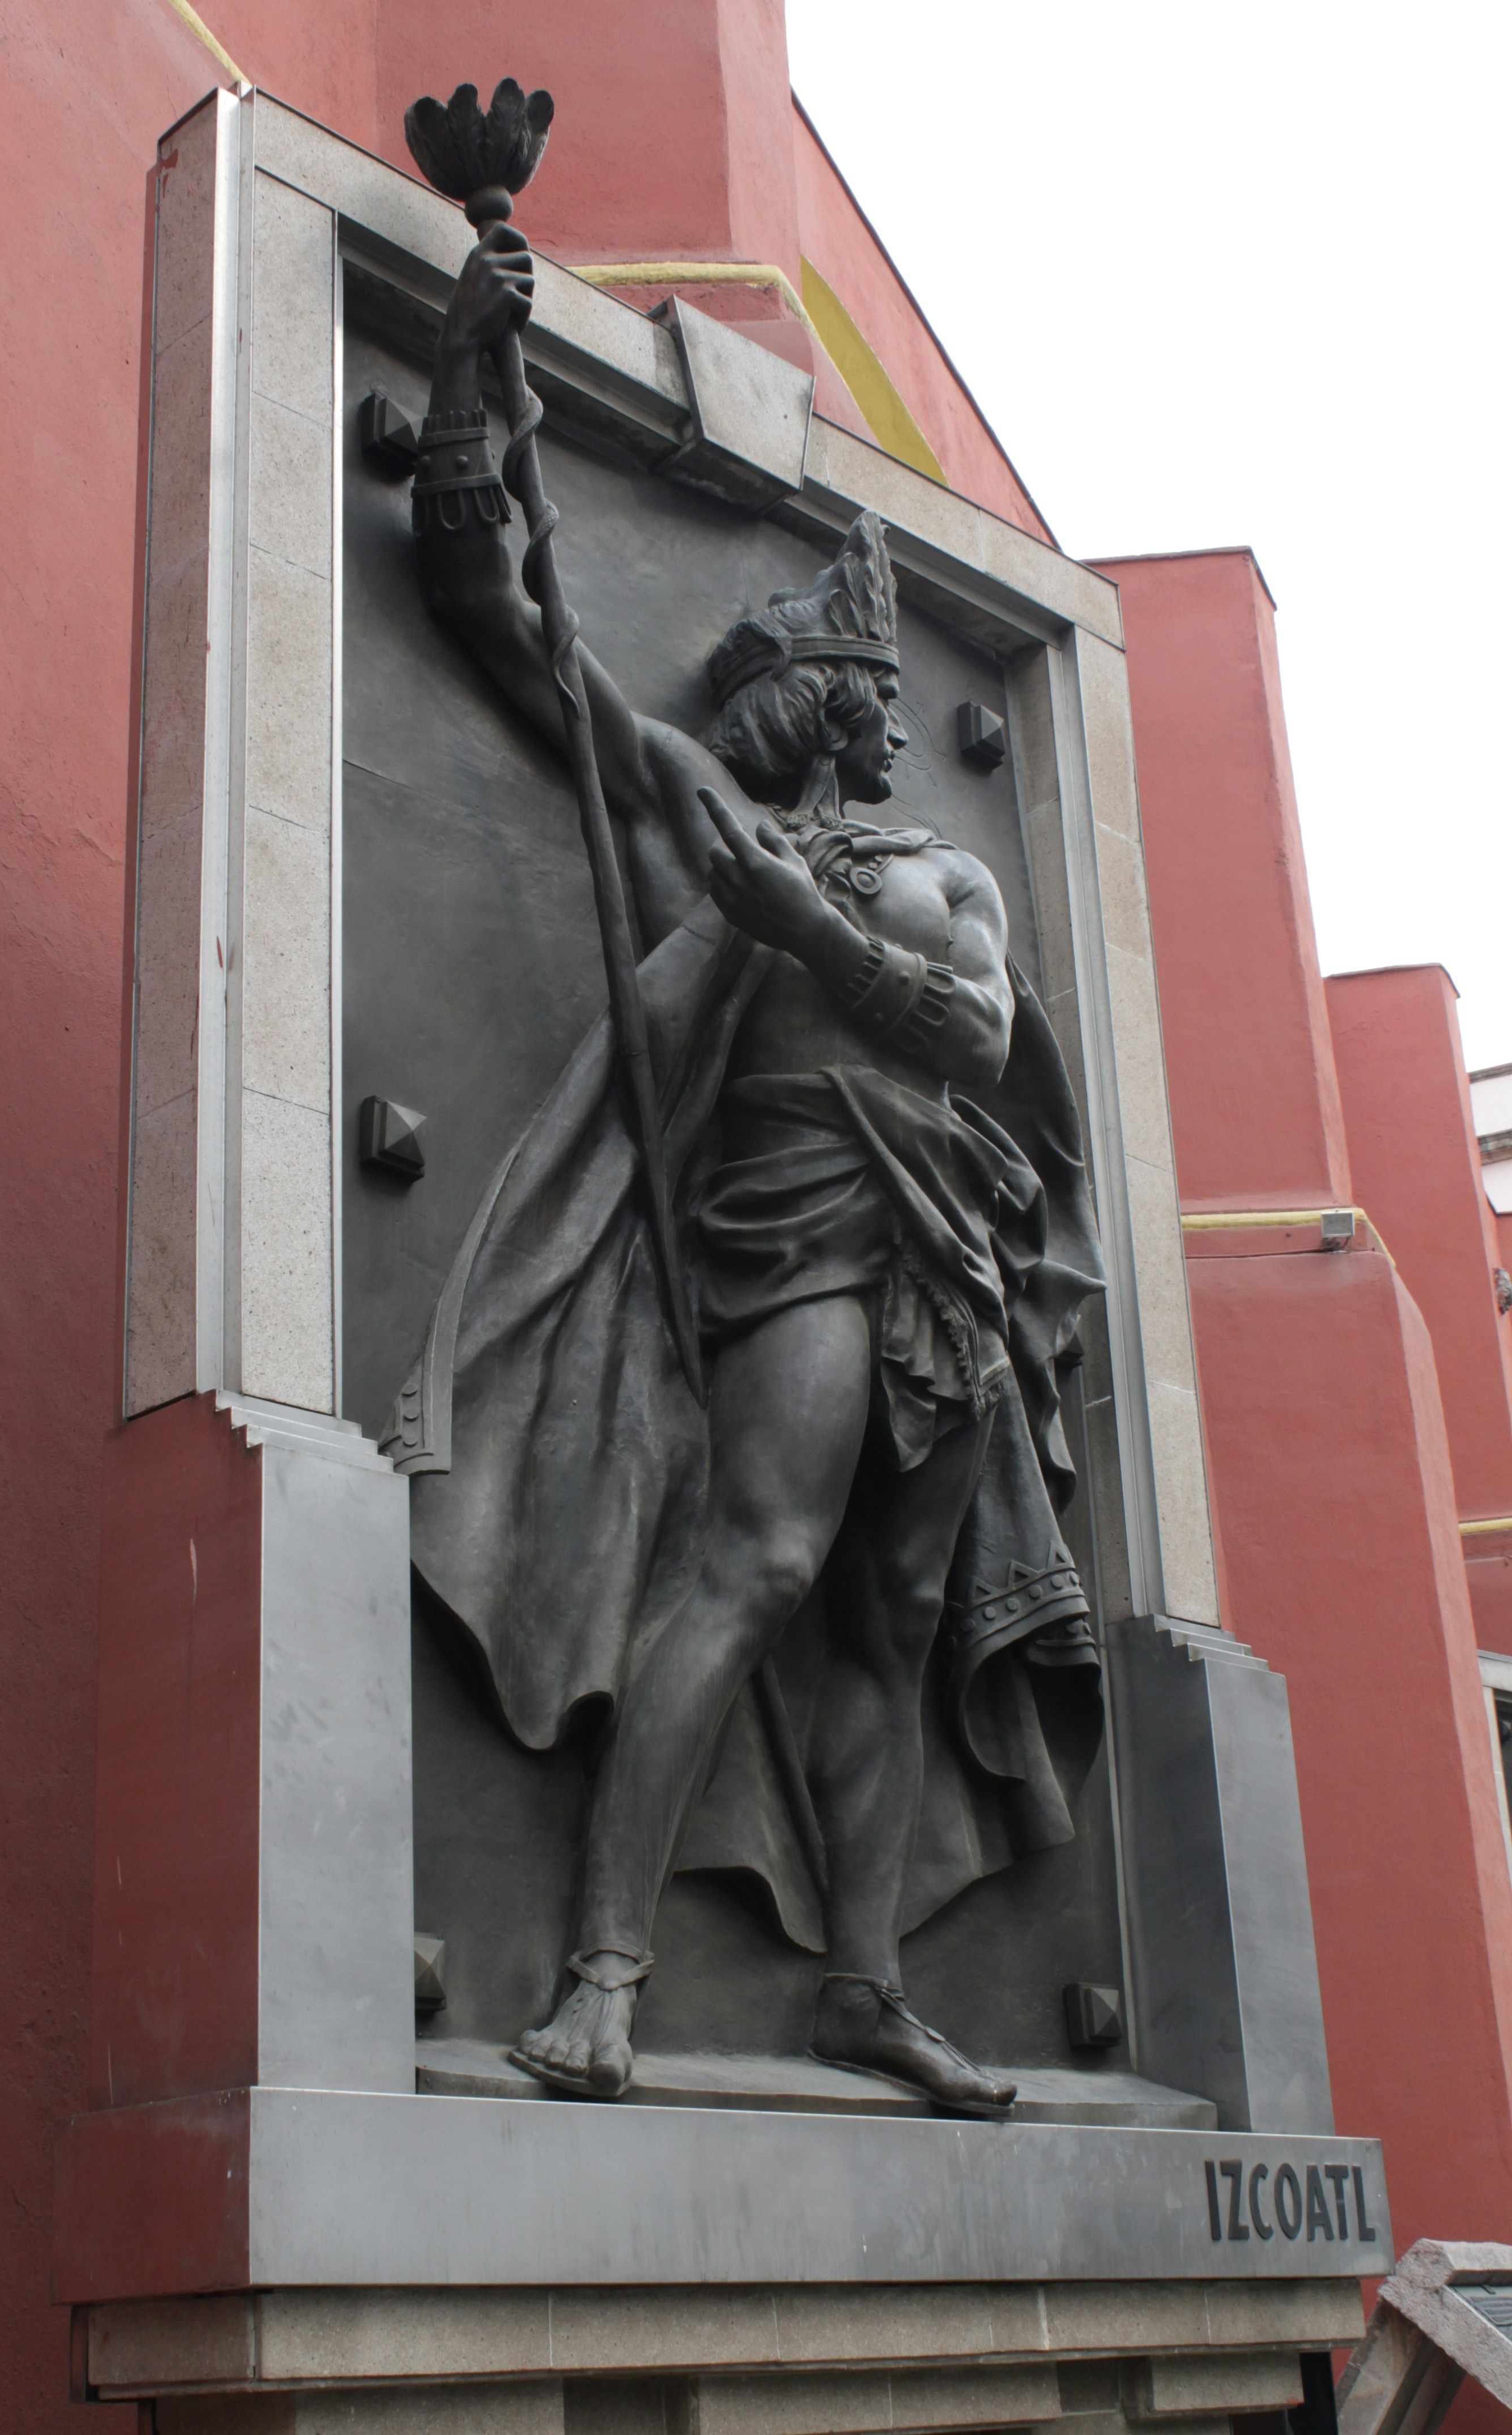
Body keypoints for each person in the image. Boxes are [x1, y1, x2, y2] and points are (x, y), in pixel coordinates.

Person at [384, 224, 1105, 2113]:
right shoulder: (705, 808)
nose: (753, 692)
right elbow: (506, 622)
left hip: (945, 1256)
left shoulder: (945, 874)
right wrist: (466, 377)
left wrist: (811, 930)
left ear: (855, 703)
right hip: (790, 1232)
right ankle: (607, 1972)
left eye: (786, 673)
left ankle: (864, 1987)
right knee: (765, 1560)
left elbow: (976, 1039)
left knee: (892, 1622)